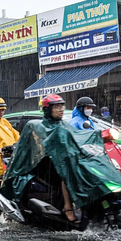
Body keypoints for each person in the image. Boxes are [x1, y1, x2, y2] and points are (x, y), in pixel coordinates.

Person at [41, 94, 78, 222]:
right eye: (56, 107)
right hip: (49, 163)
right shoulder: (41, 126)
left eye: (61, 106)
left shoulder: (65, 125)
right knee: (67, 173)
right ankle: (67, 207)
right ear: (48, 110)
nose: (61, 109)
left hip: (65, 159)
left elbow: (78, 137)